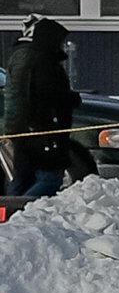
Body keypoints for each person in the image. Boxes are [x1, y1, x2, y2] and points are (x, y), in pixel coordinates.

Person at [2, 14, 82, 203]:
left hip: (22, 128)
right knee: (50, 178)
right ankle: (22, 213)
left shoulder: (21, 56)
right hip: (41, 128)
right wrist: (70, 98)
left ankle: (8, 214)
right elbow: (48, 93)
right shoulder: (42, 61)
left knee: (23, 177)